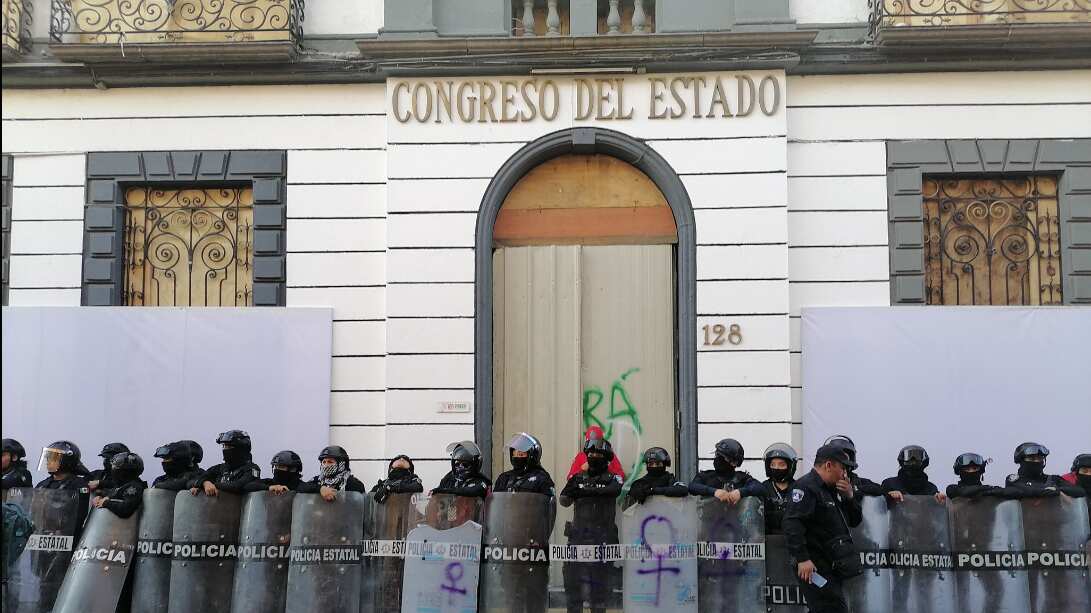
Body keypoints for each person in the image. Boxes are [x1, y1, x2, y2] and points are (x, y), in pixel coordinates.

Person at [783, 444, 863, 613]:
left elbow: (855, 521)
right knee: (831, 608)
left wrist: (849, 497)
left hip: (833, 565)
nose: (844, 474)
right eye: (842, 468)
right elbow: (792, 524)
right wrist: (802, 558)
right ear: (829, 465)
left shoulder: (833, 490)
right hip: (814, 566)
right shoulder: (806, 487)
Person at [560, 437, 622, 613]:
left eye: (598, 453)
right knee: (573, 587)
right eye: (591, 453)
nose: (594, 456)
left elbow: (613, 491)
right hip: (578, 538)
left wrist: (584, 491)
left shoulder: (613, 478)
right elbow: (564, 499)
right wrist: (580, 488)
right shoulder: (577, 477)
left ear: (606, 456)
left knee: (599, 592)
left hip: (603, 539)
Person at [688, 438, 764, 504]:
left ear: (734, 463)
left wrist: (740, 492)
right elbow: (692, 487)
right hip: (710, 519)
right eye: (717, 455)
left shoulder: (741, 478)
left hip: (736, 519)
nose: (718, 459)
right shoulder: (706, 476)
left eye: (723, 457)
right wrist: (714, 492)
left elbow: (759, 487)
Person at [189, 430, 260, 496]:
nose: (225, 450)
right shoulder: (219, 468)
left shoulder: (252, 469)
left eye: (228, 446)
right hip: (217, 508)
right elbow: (192, 481)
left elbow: (238, 486)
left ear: (240, 449)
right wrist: (205, 483)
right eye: (224, 446)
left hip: (240, 508)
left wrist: (214, 485)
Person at [1004, 442, 1086, 498]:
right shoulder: (1013, 479)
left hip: (1052, 522)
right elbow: (1026, 490)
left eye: (1039, 458)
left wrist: (1058, 490)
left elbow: (1079, 491)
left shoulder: (1053, 479)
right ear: (1021, 460)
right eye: (1032, 458)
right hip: (1024, 522)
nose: (1036, 461)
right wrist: (1049, 490)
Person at [298, 446, 366, 501]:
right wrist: (320, 489)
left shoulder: (352, 483)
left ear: (341, 464)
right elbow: (301, 487)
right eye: (324, 462)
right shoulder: (317, 480)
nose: (326, 465)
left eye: (330, 462)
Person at [882, 445, 946, 504]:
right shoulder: (889, 484)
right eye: (908, 457)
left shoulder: (931, 489)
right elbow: (879, 507)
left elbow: (936, 512)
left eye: (917, 457)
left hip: (923, 516)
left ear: (924, 462)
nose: (913, 461)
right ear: (902, 461)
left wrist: (940, 501)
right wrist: (889, 496)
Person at [91, 452, 146, 519]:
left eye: (116, 467)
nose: (113, 469)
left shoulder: (134, 487)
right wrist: (101, 498)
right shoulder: (122, 485)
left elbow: (126, 508)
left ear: (125, 471)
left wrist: (106, 503)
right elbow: (115, 494)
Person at [761, 442, 800, 534]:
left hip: (792, 538)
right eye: (773, 464)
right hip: (769, 539)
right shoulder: (763, 487)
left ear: (790, 467)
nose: (776, 468)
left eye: (781, 464)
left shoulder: (798, 488)